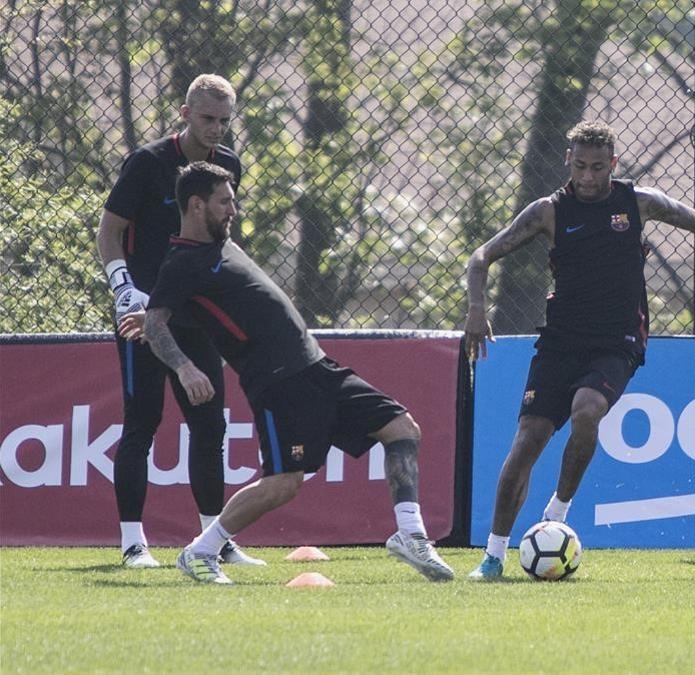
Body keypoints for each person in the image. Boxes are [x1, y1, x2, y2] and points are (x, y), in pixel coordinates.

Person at [121, 162, 453, 584]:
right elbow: (156, 323)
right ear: (196, 205)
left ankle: (411, 535)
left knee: (402, 428)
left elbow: (206, 311)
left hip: (317, 365)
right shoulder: (181, 262)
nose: (233, 210)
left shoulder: (224, 247)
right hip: (278, 382)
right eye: (225, 202)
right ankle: (201, 551)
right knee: (283, 484)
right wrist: (185, 368)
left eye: (234, 201)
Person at [462, 121, 695, 580]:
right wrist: (475, 309)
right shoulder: (549, 212)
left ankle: (557, 514)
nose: (588, 177)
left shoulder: (635, 203)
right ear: (568, 161)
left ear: (614, 165)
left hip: (617, 341)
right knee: (527, 441)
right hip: (561, 340)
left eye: (598, 168)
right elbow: (481, 256)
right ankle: (493, 554)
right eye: (580, 166)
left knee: (587, 411)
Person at [96, 74, 261, 568]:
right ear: (185, 114)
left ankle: (214, 541)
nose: (216, 130)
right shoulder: (147, 163)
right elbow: (109, 232)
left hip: (198, 314)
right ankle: (132, 543)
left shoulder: (228, 165)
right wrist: (125, 291)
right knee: (142, 421)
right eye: (207, 119)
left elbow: (221, 238)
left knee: (210, 425)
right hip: (144, 311)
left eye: (224, 121)